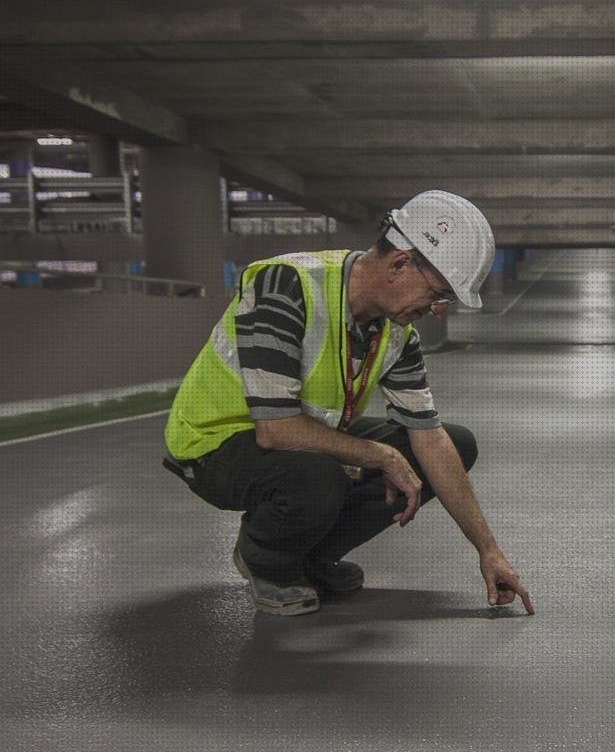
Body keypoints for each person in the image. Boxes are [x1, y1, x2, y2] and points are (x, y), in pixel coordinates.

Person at [163, 190, 534, 617]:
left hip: (295, 441)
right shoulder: (286, 284)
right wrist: (378, 454)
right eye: (439, 293)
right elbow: (275, 429)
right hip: (215, 445)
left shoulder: (395, 334)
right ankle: (268, 561)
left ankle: (313, 558)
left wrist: (488, 550)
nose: (437, 310)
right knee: (319, 475)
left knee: (454, 443)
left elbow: (429, 439)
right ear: (399, 263)